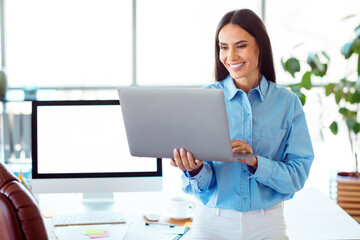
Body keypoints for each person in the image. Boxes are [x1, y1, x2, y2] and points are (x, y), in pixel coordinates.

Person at [170, 9, 314, 240]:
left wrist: (255, 162)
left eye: (241, 45)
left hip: (267, 224)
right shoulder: (204, 100)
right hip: (211, 222)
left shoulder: (287, 103)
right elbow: (207, 184)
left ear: (260, 47)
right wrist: (194, 169)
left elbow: (297, 176)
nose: (231, 56)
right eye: (224, 47)